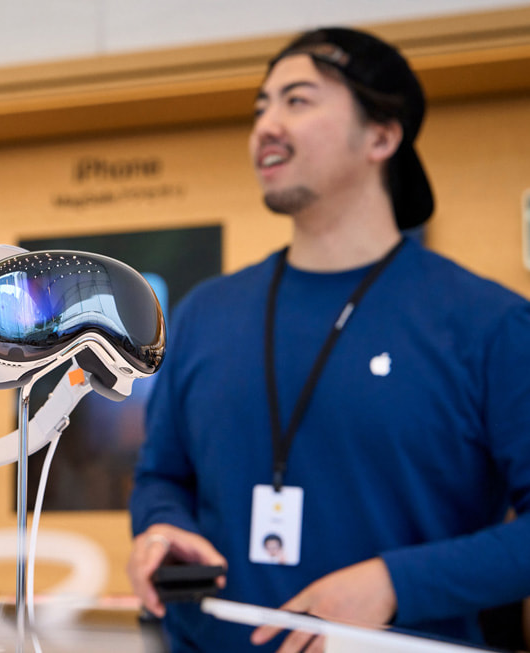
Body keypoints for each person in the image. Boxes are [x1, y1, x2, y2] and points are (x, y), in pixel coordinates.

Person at [127, 26, 530, 653]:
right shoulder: (206, 313)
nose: (265, 124)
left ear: (382, 136)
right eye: (261, 105)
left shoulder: (488, 323)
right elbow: (161, 477)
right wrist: (161, 530)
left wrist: (395, 584)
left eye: (298, 100)